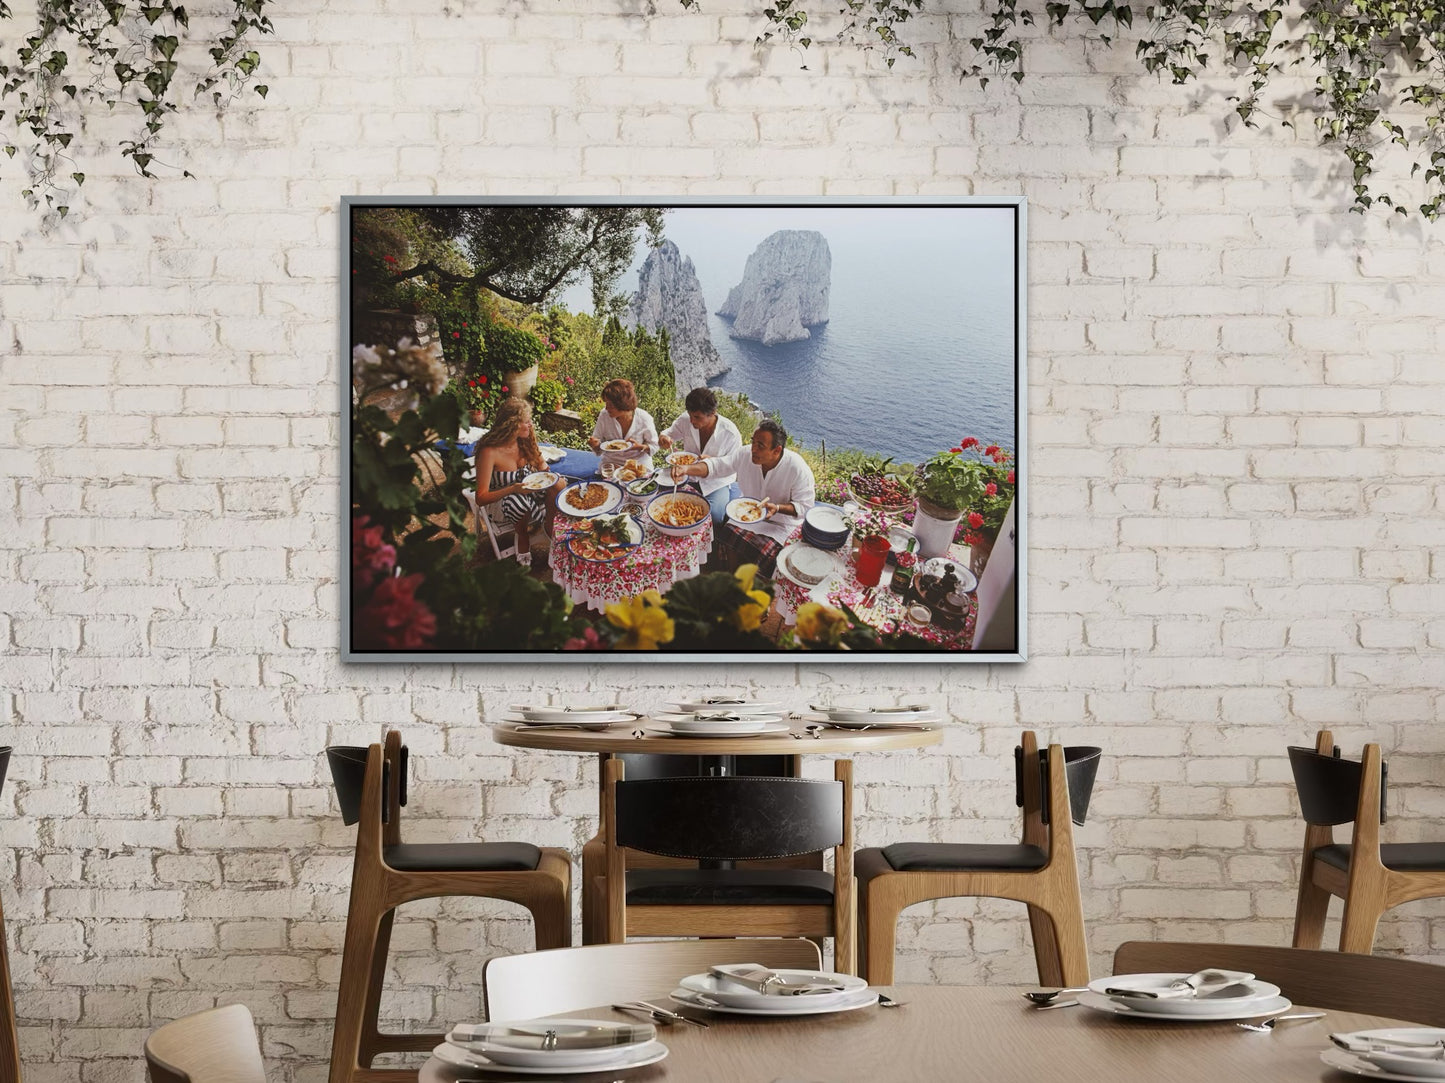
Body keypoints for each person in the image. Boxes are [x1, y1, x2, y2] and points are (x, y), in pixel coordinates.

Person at [671, 418, 814, 577]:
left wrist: (778, 507)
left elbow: (804, 506)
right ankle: (732, 577)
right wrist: (687, 469)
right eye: (753, 442)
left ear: (777, 450)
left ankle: (759, 584)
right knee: (726, 534)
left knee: (770, 556)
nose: (753, 449)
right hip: (745, 515)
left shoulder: (797, 468)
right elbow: (718, 466)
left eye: (761, 446)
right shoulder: (745, 454)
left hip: (781, 525)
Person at [474, 398, 561, 564]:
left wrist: (536, 450)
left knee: (559, 484)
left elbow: (544, 470)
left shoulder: (524, 441)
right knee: (519, 502)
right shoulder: (489, 452)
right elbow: (481, 497)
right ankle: (523, 538)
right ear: (512, 424)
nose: (531, 424)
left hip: (527, 491)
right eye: (526, 421)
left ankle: (549, 528)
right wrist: (513, 489)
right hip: (501, 500)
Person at [658, 387, 743, 524]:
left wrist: (712, 462)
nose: (692, 421)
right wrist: (664, 438)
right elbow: (669, 433)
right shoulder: (686, 420)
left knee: (714, 515)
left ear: (713, 413)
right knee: (665, 503)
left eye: (697, 417)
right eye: (690, 415)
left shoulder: (730, 433)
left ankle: (708, 542)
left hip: (716, 482)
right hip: (687, 477)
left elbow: (732, 465)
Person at [588, 377, 657, 475]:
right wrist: (595, 446)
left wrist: (640, 447)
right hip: (612, 462)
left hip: (637, 464)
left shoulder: (644, 418)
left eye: (611, 405)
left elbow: (655, 446)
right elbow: (598, 445)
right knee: (609, 485)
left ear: (623, 404)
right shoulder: (604, 415)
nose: (607, 408)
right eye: (606, 403)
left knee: (637, 486)